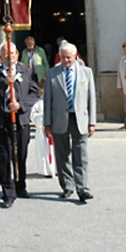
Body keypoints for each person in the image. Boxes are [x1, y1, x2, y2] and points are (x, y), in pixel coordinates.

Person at [0, 41, 41, 208]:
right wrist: (3, 83)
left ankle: (20, 185)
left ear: (17, 55)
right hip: (0, 121)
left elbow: (35, 93)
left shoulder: (25, 72)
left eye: (13, 54)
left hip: (20, 119)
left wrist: (21, 104)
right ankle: (8, 192)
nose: (10, 57)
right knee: (4, 157)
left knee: (20, 155)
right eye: (6, 55)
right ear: (1, 57)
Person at [43, 41, 96, 202]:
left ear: (75, 56)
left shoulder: (86, 73)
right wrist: (47, 123)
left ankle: (82, 187)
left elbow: (91, 98)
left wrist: (92, 122)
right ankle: (67, 185)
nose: (66, 61)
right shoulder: (52, 73)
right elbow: (48, 101)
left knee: (81, 155)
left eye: (69, 58)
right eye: (63, 57)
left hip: (79, 118)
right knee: (62, 155)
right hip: (59, 119)